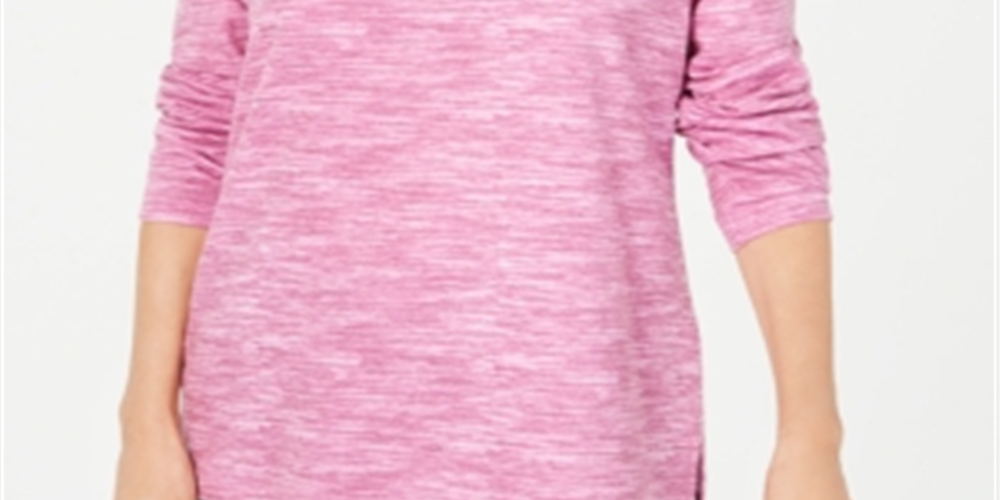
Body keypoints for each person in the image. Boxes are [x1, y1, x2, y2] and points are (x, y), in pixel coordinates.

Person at [113, 1, 851, 499]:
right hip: (281, 429)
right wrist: (145, 420)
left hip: (572, 430)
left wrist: (811, 437)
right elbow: (202, 124)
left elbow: (759, 132)